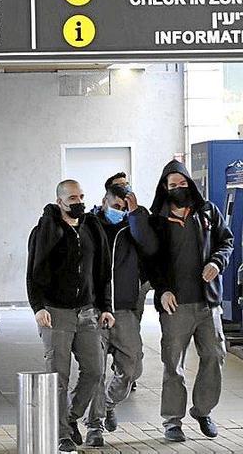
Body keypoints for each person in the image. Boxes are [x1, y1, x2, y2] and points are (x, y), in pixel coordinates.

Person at [133, 160, 233, 442]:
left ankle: (203, 410)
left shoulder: (208, 212)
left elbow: (227, 242)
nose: (178, 188)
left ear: (190, 183)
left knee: (215, 355)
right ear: (164, 188)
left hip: (207, 303)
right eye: (172, 184)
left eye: (182, 183)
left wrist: (217, 261)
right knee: (173, 365)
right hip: (175, 306)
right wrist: (162, 289)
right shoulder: (157, 220)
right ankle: (172, 421)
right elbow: (149, 260)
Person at [26, 179, 114, 452]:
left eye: (81, 197)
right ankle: (62, 433)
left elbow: (102, 271)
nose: (79, 202)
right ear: (60, 202)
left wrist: (106, 306)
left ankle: (71, 417)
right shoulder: (45, 231)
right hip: (55, 312)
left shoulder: (92, 228)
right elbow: (33, 271)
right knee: (58, 375)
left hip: (87, 311)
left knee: (95, 370)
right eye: (72, 198)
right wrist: (37, 306)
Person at [84, 184, 150, 447]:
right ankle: (94, 426)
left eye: (124, 208)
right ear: (104, 201)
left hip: (124, 307)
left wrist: (135, 215)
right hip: (95, 307)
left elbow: (150, 245)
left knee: (132, 366)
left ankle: (109, 403)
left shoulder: (133, 227)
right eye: (116, 206)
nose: (119, 211)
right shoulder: (89, 225)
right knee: (97, 370)